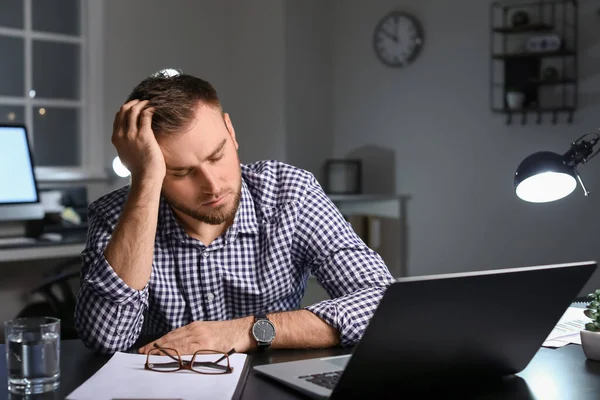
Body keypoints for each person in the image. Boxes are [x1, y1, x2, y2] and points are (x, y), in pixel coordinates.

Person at [74, 69, 396, 355]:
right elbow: (106, 338)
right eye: (182, 173)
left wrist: (246, 331)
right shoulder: (116, 216)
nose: (212, 185)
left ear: (231, 131)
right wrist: (145, 182)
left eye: (217, 155)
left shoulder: (289, 192)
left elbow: (383, 306)